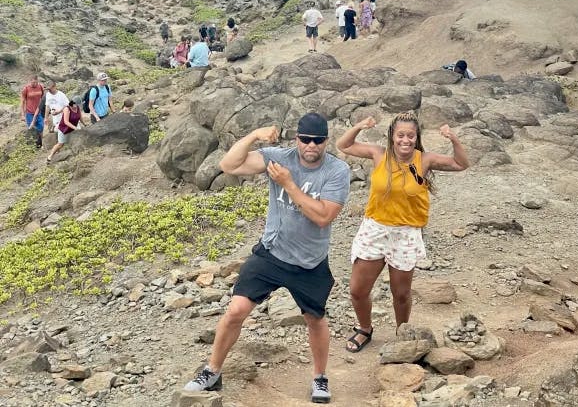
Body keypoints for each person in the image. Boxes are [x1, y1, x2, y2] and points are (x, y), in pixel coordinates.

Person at [183, 113, 350, 404]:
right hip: (272, 252)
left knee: (315, 318)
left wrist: (288, 184)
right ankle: (212, 370)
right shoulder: (279, 157)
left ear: (326, 141)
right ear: (297, 138)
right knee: (235, 310)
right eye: (305, 139)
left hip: (309, 261)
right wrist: (253, 135)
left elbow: (323, 217)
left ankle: (320, 377)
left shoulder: (337, 171)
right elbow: (228, 165)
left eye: (318, 140)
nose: (311, 146)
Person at [336, 113, 469, 353]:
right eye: (400, 135)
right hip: (375, 229)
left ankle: (402, 333)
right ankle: (365, 329)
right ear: (392, 136)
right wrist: (360, 125)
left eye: (410, 135)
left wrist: (453, 138)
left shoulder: (424, 159)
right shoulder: (379, 154)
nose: (405, 140)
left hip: (406, 234)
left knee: (401, 294)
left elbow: (461, 164)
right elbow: (343, 145)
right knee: (357, 290)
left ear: (416, 137)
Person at [47, 97, 82, 163]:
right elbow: (66, 121)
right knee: (60, 144)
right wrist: (75, 128)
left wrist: (84, 124)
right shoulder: (67, 109)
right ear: (72, 103)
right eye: (76, 104)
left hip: (74, 126)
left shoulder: (77, 108)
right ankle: (50, 156)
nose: (77, 106)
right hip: (64, 128)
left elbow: (80, 117)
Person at [20, 76, 45, 146]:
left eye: (36, 82)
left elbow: (43, 98)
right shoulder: (26, 89)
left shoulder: (40, 87)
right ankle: (32, 145)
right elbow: (22, 102)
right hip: (29, 112)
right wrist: (22, 114)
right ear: (30, 81)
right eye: (33, 82)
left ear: (37, 81)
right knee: (32, 128)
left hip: (39, 112)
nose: (34, 84)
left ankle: (41, 143)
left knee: (41, 127)